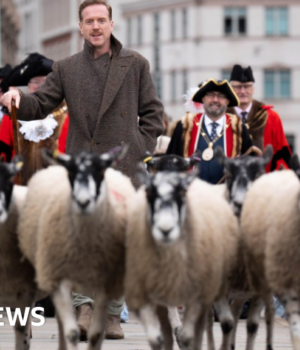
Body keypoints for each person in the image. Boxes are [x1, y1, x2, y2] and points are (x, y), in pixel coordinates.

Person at [1, 0, 163, 341]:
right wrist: (15, 96)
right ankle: (84, 307)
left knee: (118, 241)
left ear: (112, 24)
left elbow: (153, 113)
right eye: (89, 21)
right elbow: (41, 103)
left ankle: (113, 314)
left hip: (122, 165)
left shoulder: (135, 64)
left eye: (101, 20)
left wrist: (138, 148)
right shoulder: (66, 68)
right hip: (81, 167)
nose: (95, 27)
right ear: (80, 27)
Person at [166, 79, 252, 184]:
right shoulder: (185, 125)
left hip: (225, 196)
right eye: (211, 95)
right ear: (203, 98)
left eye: (221, 96)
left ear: (228, 101)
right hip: (191, 195)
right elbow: (169, 164)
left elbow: (251, 167)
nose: (215, 100)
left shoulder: (238, 128)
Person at [0, 53, 68, 185]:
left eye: (46, 82)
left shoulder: (68, 116)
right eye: (36, 82)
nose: (41, 86)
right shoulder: (12, 115)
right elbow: (2, 154)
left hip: (59, 189)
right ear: (28, 85)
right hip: (19, 189)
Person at [228, 65, 291, 171]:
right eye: (238, 87)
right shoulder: (222, 118)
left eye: (247, 86)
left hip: (264, 182)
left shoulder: (271, 118)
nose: (243, 91)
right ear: (231, 89)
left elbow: (282, 154)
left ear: (253, 89)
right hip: (232, 182)